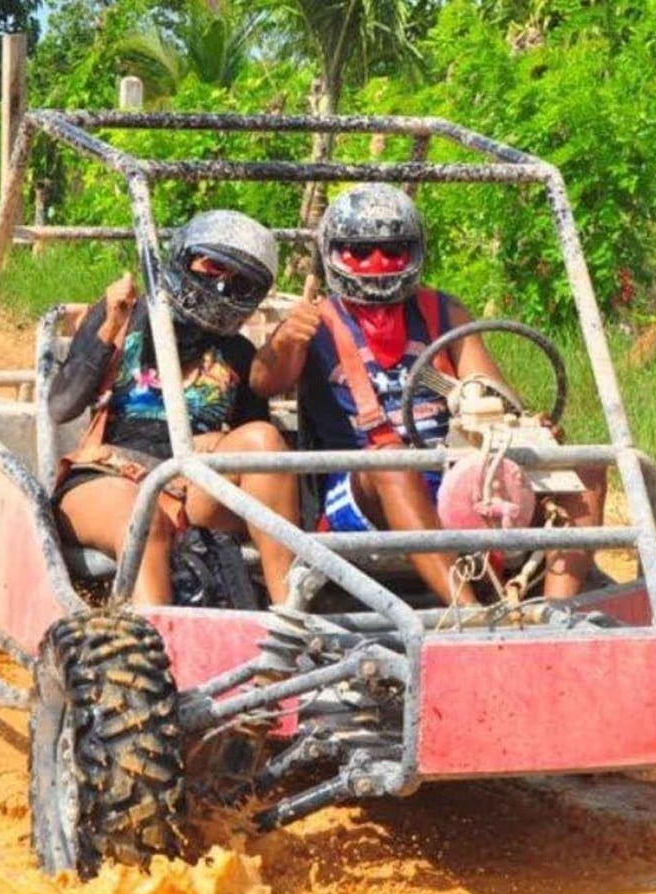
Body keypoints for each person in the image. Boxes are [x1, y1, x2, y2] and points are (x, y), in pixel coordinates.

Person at [251, 183, 606, 603]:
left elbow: (492, 396)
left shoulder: (442, 311)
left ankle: (558, 611)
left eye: (392, 251)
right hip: (362, 490)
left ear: (414, 253)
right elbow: (263, 383)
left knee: (585, 466)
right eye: (360, 253)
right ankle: (467, 615)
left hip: (457, 474)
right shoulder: (316, 320)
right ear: (335, 254)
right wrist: (287, 341)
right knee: (391, 463)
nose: (377, 265)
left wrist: (527, 425)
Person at [48, 210, 300, 606]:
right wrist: (109, 325)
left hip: (189, 486)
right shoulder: (127, 317)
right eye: (212, 266)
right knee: (143, 519)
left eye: (240, 282)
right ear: (184, 258)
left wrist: (223, 438)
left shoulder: (237, 352)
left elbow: (257, 454)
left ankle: (291, 622)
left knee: (264, 439)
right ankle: (159, 648)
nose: (219, 286)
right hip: (106, 477)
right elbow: (61, 406)